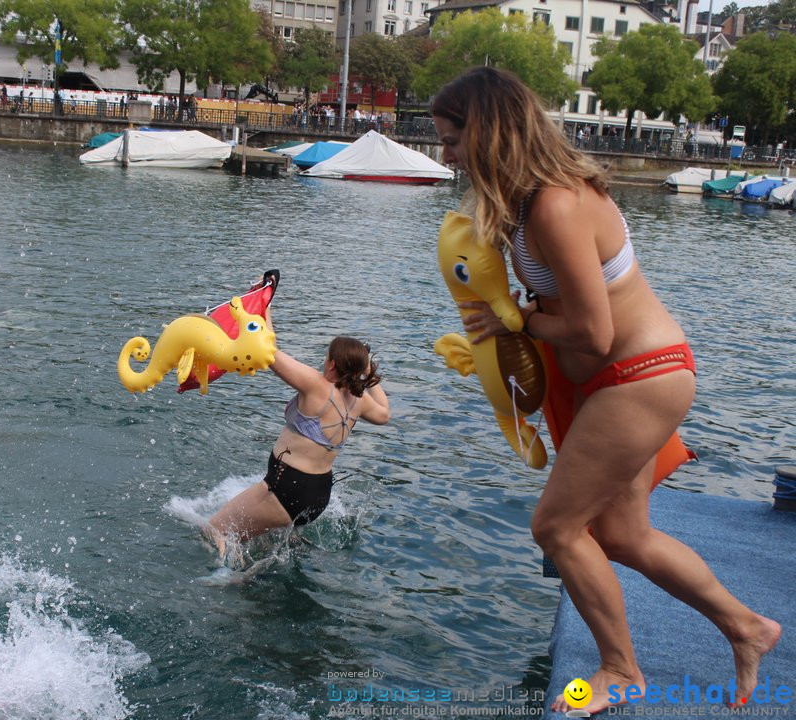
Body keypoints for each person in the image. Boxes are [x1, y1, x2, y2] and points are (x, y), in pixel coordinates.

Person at [429, 66, 780, 714]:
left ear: (488, 132)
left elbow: (594, 331)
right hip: (622, 379)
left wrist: (517, 320)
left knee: (557, 527)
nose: (445, 154)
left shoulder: (558, 204)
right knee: (623, 535)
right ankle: (747, 627)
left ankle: (619, 671)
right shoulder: (527, 200)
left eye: (452, 139)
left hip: (640, 377)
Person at [206, 312, 390, 559]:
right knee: (265, 541)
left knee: (214, 530)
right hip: (318, 496)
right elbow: (385, 414)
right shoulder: (359, 401)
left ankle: (223, 577)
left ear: (332, 363)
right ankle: (254, 571)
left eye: (326, 356)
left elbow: (268, 353)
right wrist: (366, 373)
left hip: (285, 489)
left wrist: (266, 308)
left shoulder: (316, 385)